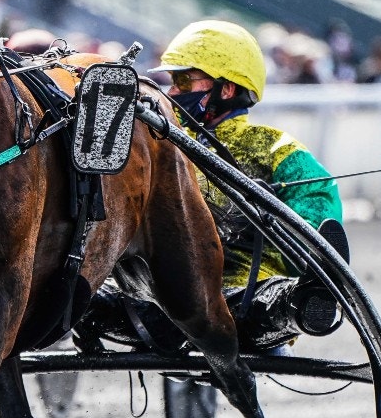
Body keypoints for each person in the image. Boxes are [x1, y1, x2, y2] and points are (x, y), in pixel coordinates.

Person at [76, 20, 345, 354]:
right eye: (173, 81)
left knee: (266, 301)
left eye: (184, 81)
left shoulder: (277, 150)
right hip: (154, 300)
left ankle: (307, 301)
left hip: (241, 296)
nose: (171, 92)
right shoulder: (158, 144)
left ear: (226, 89)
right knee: (77, 293)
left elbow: (318, 208)